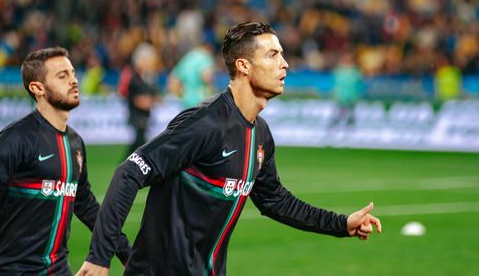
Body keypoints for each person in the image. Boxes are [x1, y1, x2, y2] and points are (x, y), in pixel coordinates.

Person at [77, 22, 382, 276]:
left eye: (282, 55)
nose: (285, 63)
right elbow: (130, 172)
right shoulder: (203, 123)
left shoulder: (260, 135)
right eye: (273, 55)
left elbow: (276, 201)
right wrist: (100, 257)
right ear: (243, 66)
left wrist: (342, 224)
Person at [0, 47, 130, 276]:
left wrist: (126, 252)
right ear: (38, 88)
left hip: (57, 270)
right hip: (9, 271)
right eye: (62, 76)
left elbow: (85, 204)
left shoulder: (75, 143)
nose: (74, 81)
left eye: (73, 73)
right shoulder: (17, 137)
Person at [121, 42, 159, 157]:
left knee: (139, 143)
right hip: (137, 116)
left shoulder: (149, 77)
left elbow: (153, 97)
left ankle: (126, 165)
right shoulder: (133, 77)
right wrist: (150, 101)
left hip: (145, 116)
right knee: (140, 144)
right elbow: (138, 100)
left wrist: (151, 100)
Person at [167, 41, 215, 108]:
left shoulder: (187, 58)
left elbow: (173, 80)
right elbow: (207, 77)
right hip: (201, 103)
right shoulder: (205, 57)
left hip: (186, 104)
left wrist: (183, 95)